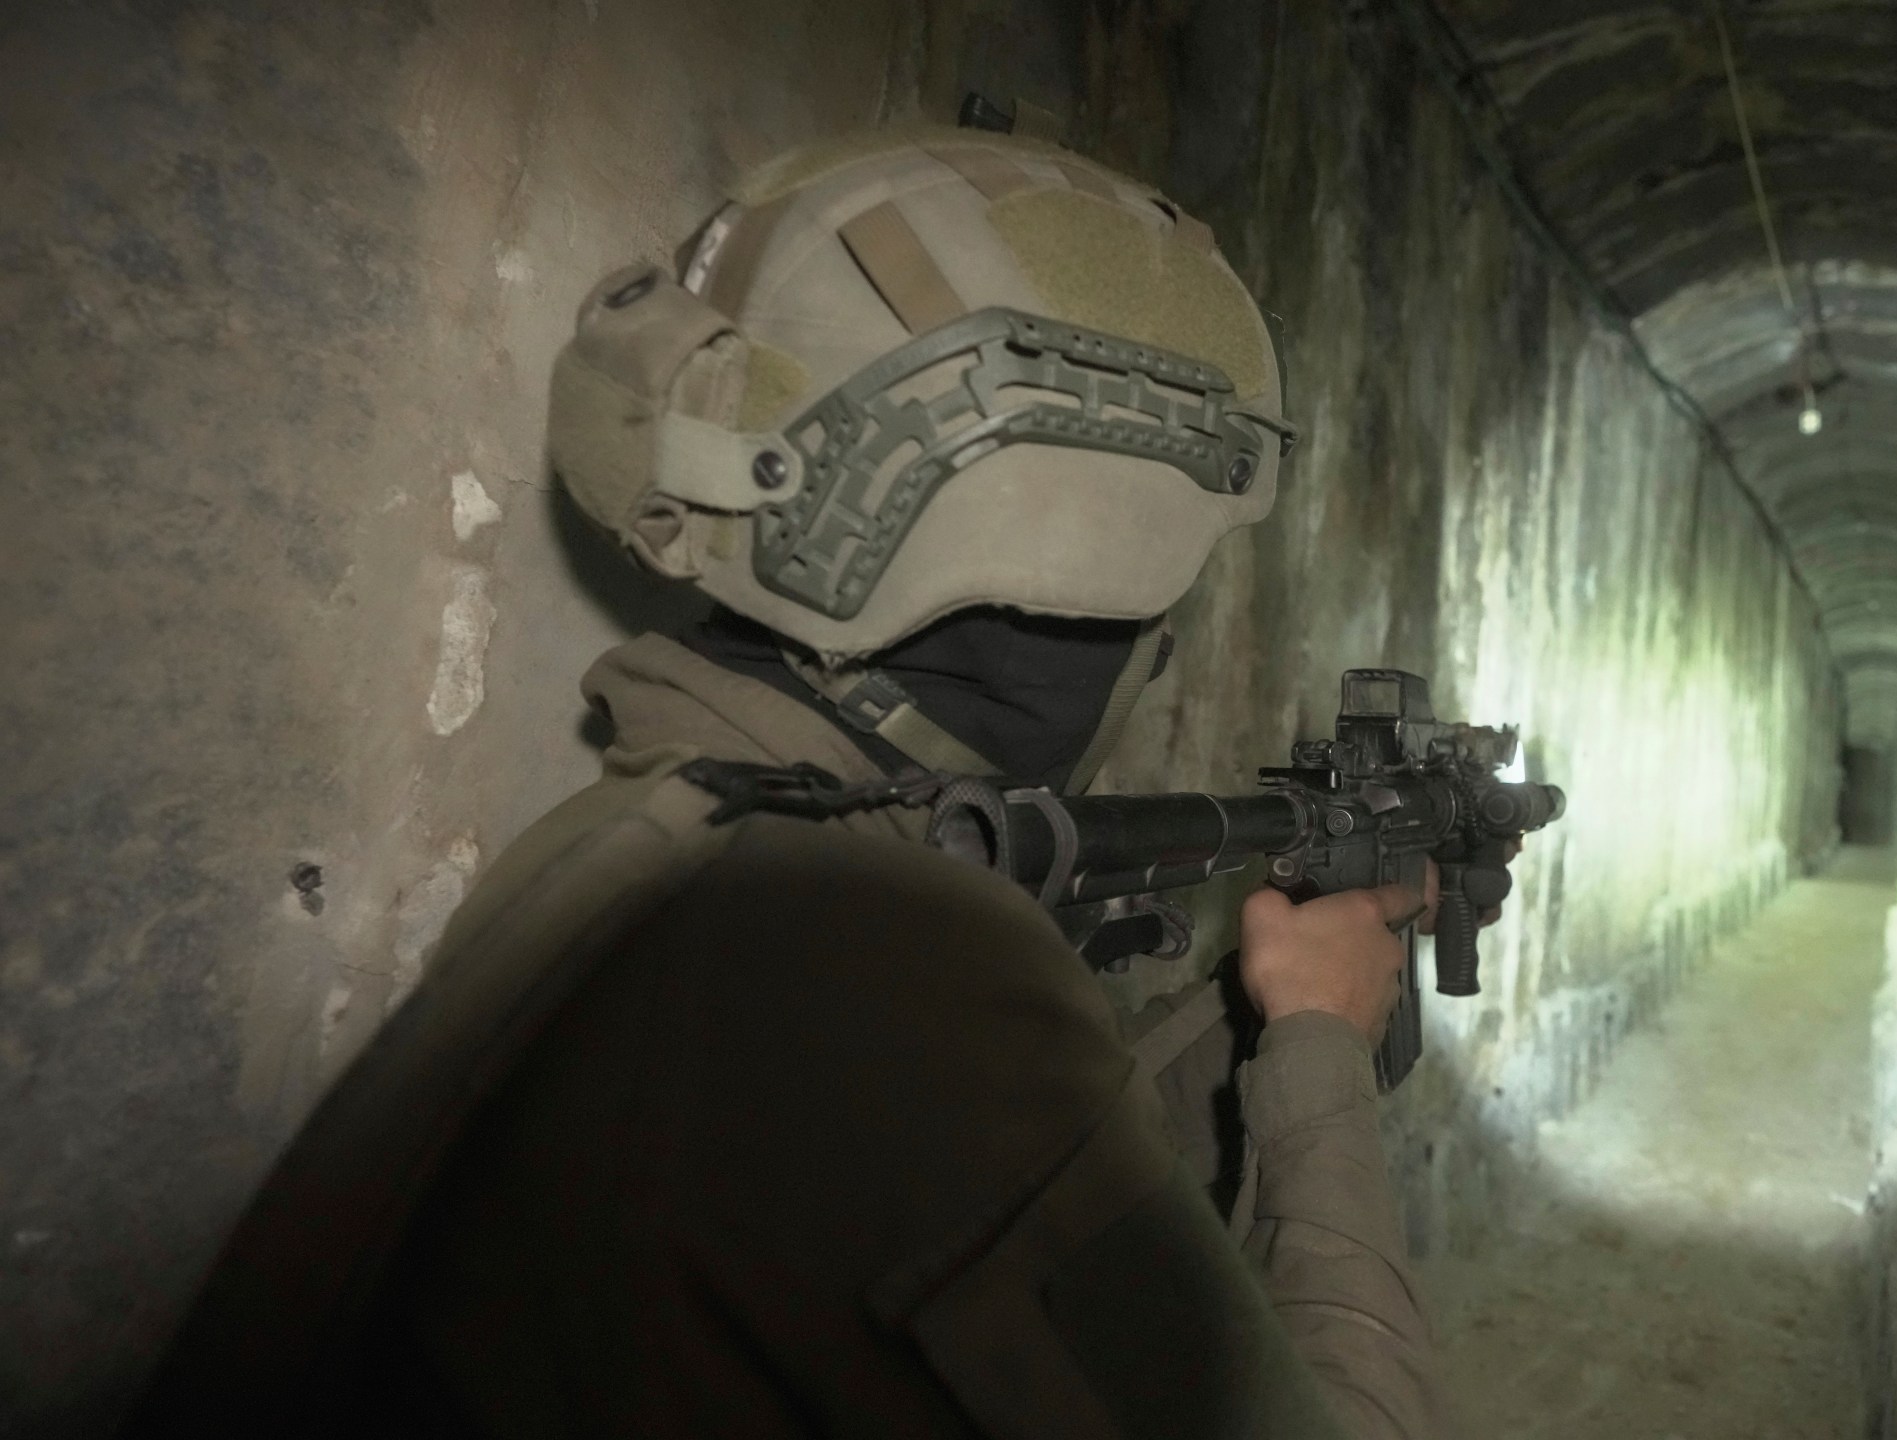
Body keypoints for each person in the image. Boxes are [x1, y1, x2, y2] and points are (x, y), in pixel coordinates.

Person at [129, 126, 1447, 1438]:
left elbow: (1007, 1228)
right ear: (1088, 586)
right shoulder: (879, 964)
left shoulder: (671, 844)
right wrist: (1323, 1049)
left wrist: (1256, 1018)